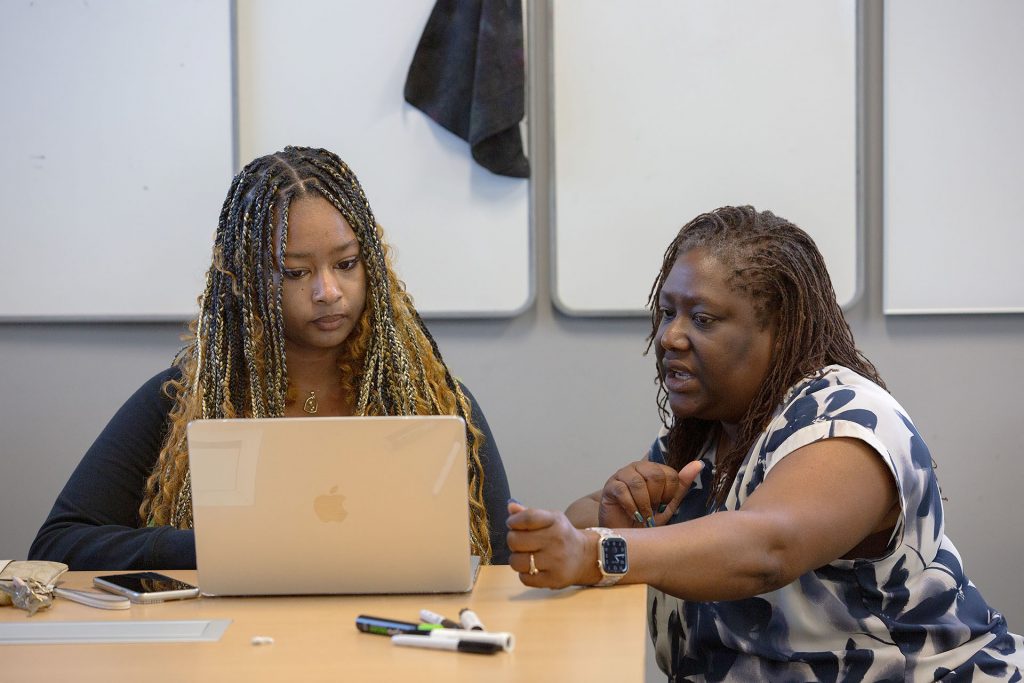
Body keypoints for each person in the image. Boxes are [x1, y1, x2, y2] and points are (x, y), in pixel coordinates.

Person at [506, 206, 1023, 681]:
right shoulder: (702, 439)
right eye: (667, 313)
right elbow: (582, 528)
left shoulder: (848, 424)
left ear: (779, 330)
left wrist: (602, 550)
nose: (669, 337)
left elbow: (766, 549)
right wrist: (611, 513)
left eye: (701, 319)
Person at [30, 146, 510, 569]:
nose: (327, 292)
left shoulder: (434, 402)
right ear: (246, 279)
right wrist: (206, 549)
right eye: (296, 272)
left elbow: (499, 556)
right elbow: (58, 543)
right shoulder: (181, 401)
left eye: (346, 264)